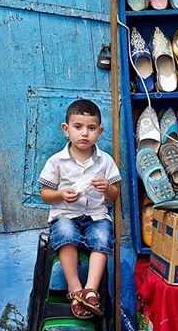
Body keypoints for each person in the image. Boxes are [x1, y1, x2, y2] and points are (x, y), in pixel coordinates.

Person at [38, 99, 120, 319]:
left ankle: (91, 291)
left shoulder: (105, 161)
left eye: (91, 128)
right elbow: (45, 194)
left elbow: (114, 196)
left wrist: (107, 188)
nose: (85, 133)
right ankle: (75, 290)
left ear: (99, 132)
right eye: (78, 127)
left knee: (103, 235)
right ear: (66, 129)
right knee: (65, 233)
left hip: (96, 215)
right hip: (65, 214)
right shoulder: (57, 161)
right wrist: (60, 195)